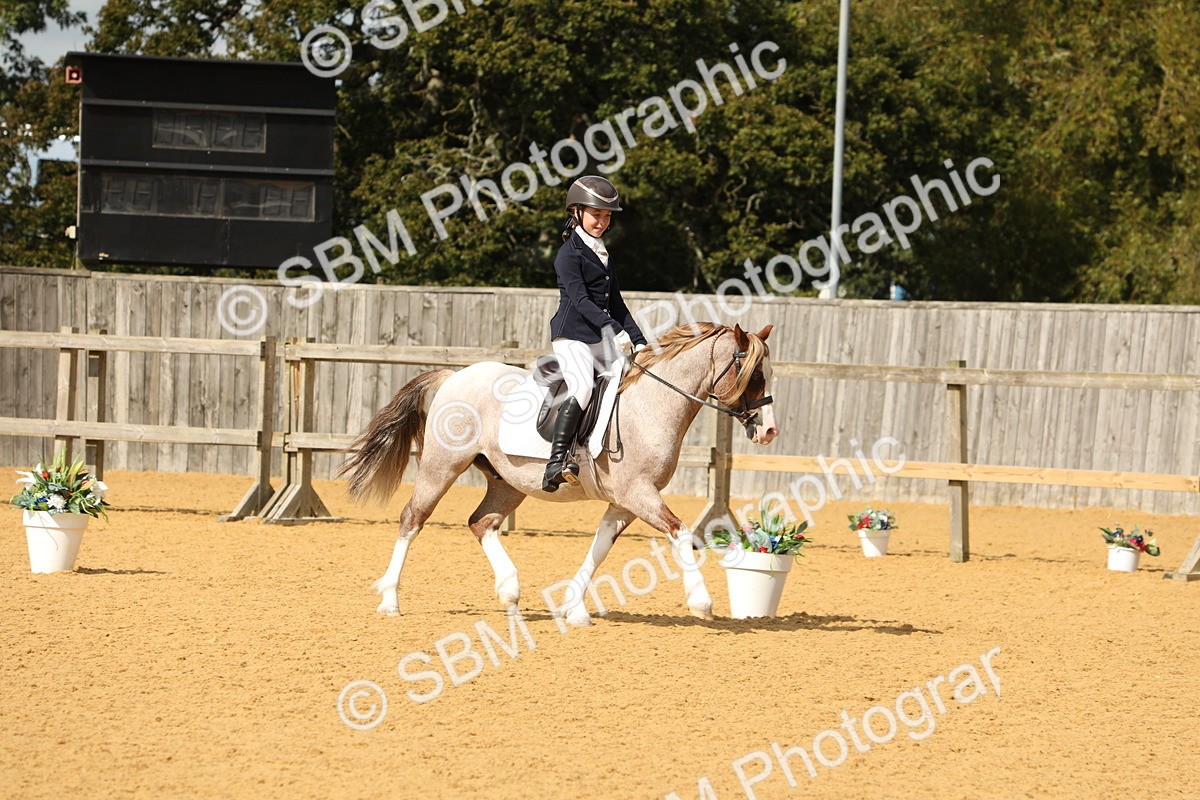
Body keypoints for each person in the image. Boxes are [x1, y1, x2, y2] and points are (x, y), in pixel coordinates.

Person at [543, 175, 647, 492]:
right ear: (577, 212)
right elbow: (581, 301)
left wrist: (640, 339)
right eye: (596, 215)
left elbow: (616, 302)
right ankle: (556, 463)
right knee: (583, 386)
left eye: (606, 216)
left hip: (599, 338)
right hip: (571, 336)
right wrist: (614, 331)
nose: (602, 222)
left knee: (629, 379)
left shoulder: (604, 255)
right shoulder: (568, 255)